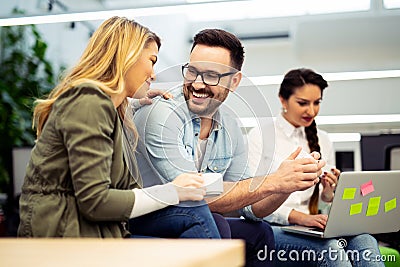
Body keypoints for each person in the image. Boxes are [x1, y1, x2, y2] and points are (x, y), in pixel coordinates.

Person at [133, 29, 325, 266]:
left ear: (234, 81)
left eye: (212, 75)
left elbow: (251, 206)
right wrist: (273, 181)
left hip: (193, 216)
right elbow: (193, 197)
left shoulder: (231, 127)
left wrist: (287, 184)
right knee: (211, 218)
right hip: (143, 217)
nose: (198, 84)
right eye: (192, 71)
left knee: (259, 232)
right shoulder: (161, 115)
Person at [17, 16, 221, 239]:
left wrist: (130, 101)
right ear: (127, 56)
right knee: (196, 215)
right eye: (152, 61)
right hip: (68, 237)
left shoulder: (106, 110)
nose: (153, 74)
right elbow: (95, 201)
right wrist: (173, 191)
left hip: (97, 231)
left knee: (196, 214)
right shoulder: (88, 103)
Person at [248, 68, 383, 266]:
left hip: (312, 224)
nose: (311, 111)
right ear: (283, 100)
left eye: (317, 102)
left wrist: (328, 192)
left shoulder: (324, 139)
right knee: (330, 250)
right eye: (303, 103)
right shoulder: (259, 136)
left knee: (365, 240)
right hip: (272, 227)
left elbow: (322, 202)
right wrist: (301, 218)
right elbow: (252, 201)